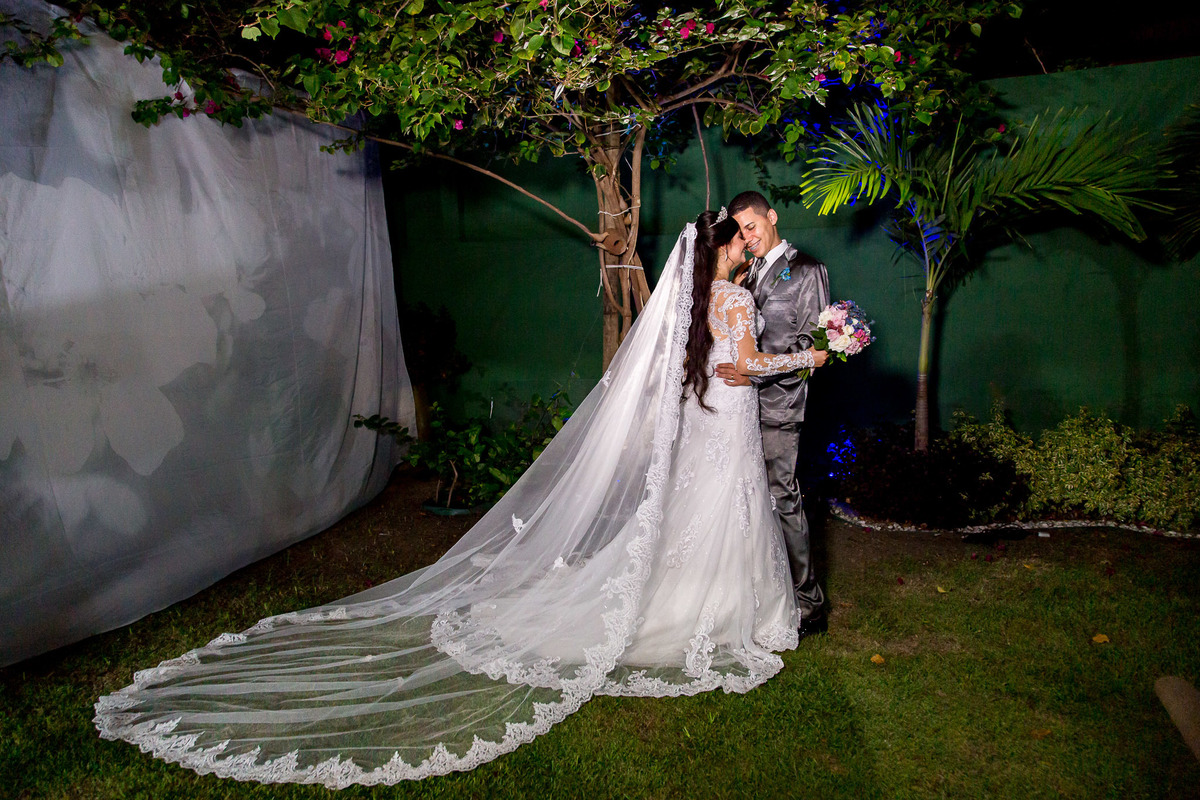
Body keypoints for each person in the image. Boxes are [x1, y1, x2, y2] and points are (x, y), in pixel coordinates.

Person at [93, 211, 825, 789]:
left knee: (704, 513)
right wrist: (812, 355)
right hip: (728, 421)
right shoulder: (733, 297)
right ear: (726, 247)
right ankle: (724, 607)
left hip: (708, 425)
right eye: (740, 237)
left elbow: (710, 370)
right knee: (725, 511)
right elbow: (743, 367)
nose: (746, 243)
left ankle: (704, 596)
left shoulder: (692, 302)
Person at [715, 190, 830, 637]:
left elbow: (811, 344)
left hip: (781, 405)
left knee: (782, 499)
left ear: (772, 217)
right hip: (737, 409)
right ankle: (765, 595)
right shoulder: (743, 274)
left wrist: (752, 375)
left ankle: (809, 604)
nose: (748, 237)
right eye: (741, 232)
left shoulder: (807, 270)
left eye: (752, 226)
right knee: (747, 503)